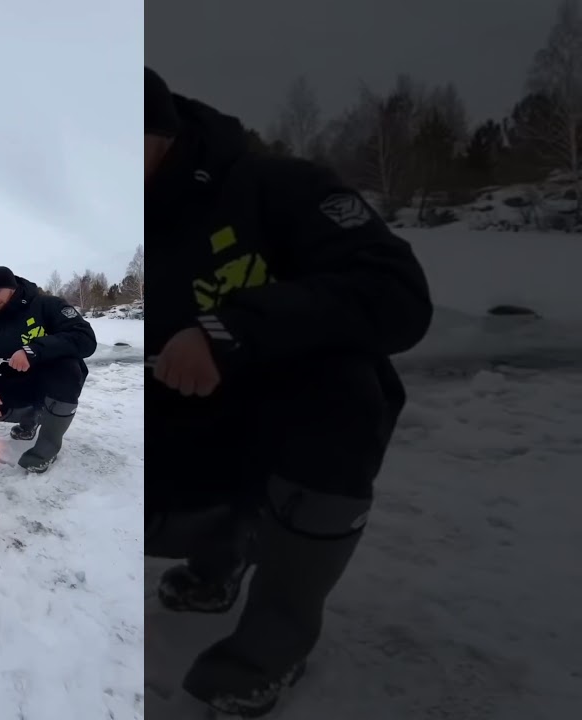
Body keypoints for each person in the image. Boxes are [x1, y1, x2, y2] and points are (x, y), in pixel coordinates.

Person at [143, 67, 433, 717]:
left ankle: (273, 644)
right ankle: (221, 556)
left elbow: (396, 294)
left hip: (286, 435)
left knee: (345, 386)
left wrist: (231, 330)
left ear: (160, 134)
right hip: (183, 437)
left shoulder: (275, 189)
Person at [0, 266, 97, 473]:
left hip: (53, 382)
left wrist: (34, 350)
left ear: (12, 287)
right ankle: (31, 418)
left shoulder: (48, 305)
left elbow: (86, 339)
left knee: (68, 368)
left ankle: (47, 449)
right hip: (18, 382)